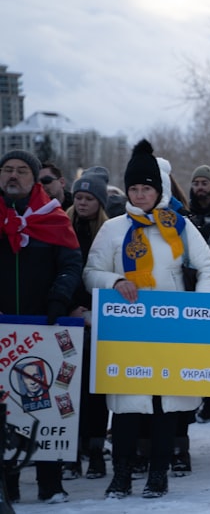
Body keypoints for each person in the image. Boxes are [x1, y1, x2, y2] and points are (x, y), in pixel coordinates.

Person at [84, 140, 210, 500]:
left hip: (171, 328)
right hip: (126, 329)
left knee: (165, 405)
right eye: (134, 188)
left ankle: (159, 473)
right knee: (127, 406)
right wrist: (116, 281)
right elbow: (91, 272)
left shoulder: (178, 226)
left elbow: (208, 267)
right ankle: (122, 474)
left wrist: (201, 310)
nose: (141, 194)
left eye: (147, 188)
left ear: (158, 190)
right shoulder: (114, 228)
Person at [0, 150, 81, 504]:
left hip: (44, 326)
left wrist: (57, 300)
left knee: (43, 402)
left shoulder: (53, 217)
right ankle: (7, 485)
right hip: (2, 326)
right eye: (7, 171)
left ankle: (50, 481)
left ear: (34, 179)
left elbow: (70, 263)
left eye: (21, 171)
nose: (13, 176)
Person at [64, 172, 112, 481]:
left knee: (97, 390)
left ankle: (95, 451)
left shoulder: (108, 232)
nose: (82, 203)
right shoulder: (60, 226)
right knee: (69, 388)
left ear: (100, 203)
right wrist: (70, 307)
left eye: (89, 199)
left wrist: (99, 309)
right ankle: (71, 452)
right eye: (78, 198)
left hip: (102, 318)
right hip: (68, 317)